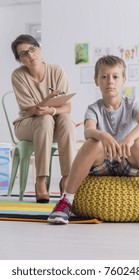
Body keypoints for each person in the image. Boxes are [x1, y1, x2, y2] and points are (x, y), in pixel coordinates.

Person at [48, 55, 139, 226]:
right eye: (104, 77)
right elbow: (88, 130)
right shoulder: (94, 108)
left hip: (127, 162)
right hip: (102, 164)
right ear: (96, 80)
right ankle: (66, 202)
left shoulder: (132, 104)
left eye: (115, 76)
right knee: (92, 142)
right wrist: (103, 135)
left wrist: (129, 138)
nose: (110, 81)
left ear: (123, 80)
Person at [11, 34, 76, 203]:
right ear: (19, 60)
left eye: (32, 49)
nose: (30, 55)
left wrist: (52, 109)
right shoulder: (18, 76)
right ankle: (40, 180)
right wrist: (50, 100)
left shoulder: (57, 70)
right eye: (24, 54)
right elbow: (34, 110)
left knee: (67, 121)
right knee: (45, 119)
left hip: (51, 125)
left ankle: (67, 179)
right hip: (26, 124)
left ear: (39, 48)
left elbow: (67, 107)